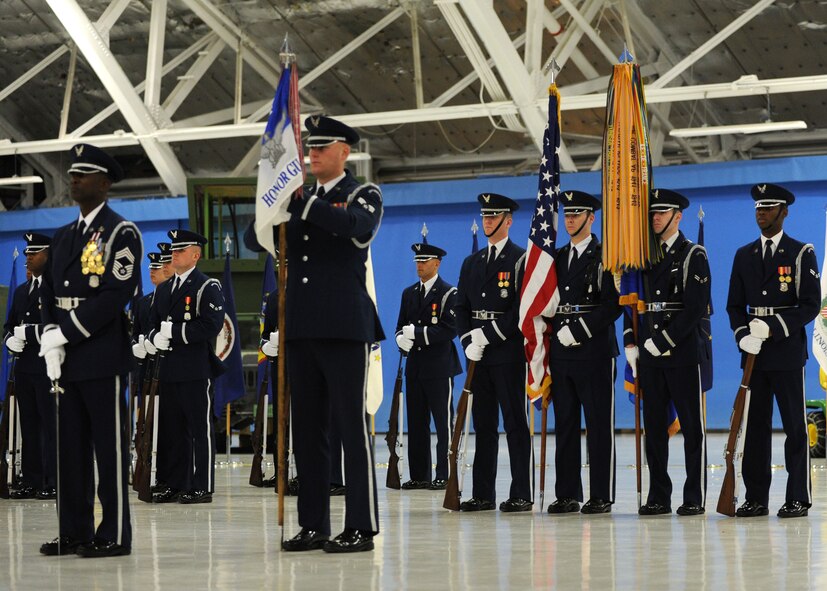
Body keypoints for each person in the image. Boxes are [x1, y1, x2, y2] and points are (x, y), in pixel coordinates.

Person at [280, 115, 383, 553]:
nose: (313, 153)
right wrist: (272, 202)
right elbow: (253, 236)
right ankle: (313, 524)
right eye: (310, 147)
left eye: (323, 147)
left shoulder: (363, 194)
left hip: (343, 327)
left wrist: (301, 204)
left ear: (345, 151)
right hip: (302, 328)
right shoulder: (297, 195)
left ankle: (361, 524)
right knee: (307, 431)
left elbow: (353, 229)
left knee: (350, 428)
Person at [38, 143, 141, 557]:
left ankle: (113, 534)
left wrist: (66, 332)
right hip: (67, 358)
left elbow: (117, 294)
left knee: (109, 450)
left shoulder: (122, 232)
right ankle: (74, 531)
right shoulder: (64, 236)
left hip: (101, 354)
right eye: (72, 173)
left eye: (84, 174)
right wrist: (50, 339)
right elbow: (47, 292)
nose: (73, 179)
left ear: (105, 182)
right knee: (70, 450)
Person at [726, 183, 819, 518]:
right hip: (753, 352)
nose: (760, 213)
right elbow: (734, 305)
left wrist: (775, 326)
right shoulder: (743, 254)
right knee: (755, 429)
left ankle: (798, 497)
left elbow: (810, 305)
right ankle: (756, 497)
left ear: (784, 212)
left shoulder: (799, 252)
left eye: (768, 208)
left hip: (786, 351)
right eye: (757, 208)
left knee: (795, 427)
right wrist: (741, 335)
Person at [625, 189, 711, 517]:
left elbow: (694, 308)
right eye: (653, 213)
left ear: (678, 216)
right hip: (648, 353)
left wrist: (663, 341)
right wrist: (632, 340)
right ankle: (659, 494)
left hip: (682, 353)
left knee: (691, 426)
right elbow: (632, 304)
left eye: (662, 213)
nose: (655, 218)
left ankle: (694, 495)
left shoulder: (693, 255)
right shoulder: (643, 257)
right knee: (655, 426)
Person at [454, 192, 531, 513]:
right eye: (484, 216)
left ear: (508, 221)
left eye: (493, 215)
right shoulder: (471, 262)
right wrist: (467, 340)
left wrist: (488, 335)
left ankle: (520, 492)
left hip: (507, 351)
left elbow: (519, 309)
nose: (487, 220)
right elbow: (461, 307)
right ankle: (483, 493)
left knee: (514, 423)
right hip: (479, 355)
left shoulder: (520, 259)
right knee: (484, 424)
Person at [547, 191, 621, 515]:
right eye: (567, 214)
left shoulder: (607, 255)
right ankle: (566, 493)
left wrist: (580, 329)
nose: (570, 219)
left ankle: (601, 494)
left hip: (593, 349)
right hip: (562, 351)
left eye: (577, 214)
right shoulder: (558, 257)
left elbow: (614, 304)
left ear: (592, 218)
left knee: (597, 424)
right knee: (564, 423)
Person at [146, 230, 225, 505]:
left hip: (195, 369)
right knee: (173, 431)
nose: (174, 254)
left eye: (180, 250)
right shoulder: (165, 289)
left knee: (199, 430)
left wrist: (176, 332)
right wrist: (154, 338)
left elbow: (211, 325)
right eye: (173, 250)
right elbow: (155, 325)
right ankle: (176, 482)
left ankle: (202, 485)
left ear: (196, 255)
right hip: (169, 369)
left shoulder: (206, 286)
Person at [394, 243, 461, 490]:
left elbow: (449, 329)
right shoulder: (409, 293)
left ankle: (444, 473)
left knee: (443, 424)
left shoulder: (448, 293)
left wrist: (418, 333)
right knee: (417, 422)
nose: (419, 265)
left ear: (437, 263)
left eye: (425, 260)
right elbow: (400, 326)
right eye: (417, 261)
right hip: (416, 367)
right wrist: (400, 337)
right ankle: (420, 474)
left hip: (439, 367)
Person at [3, 232, 56, 500]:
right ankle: (33, 480)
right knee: (30, 425)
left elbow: (59, 327)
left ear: (47, 255)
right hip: (24, 368)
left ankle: (52, 480)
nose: (28, 258)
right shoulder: (23, 291)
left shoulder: (56, 288)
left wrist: (30, 334)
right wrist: (10, 339)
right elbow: (9, 325)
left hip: (48, 368)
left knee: (50, 426)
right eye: (26, 253)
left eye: (33, 253)